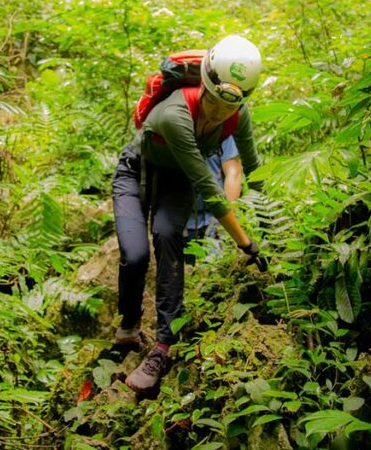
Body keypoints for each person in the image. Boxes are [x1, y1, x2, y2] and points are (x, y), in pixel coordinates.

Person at [112, 35, 265, 393]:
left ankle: (163, 345)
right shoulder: (175, 115)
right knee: (135, 255)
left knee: (168, 239)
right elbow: (209, 190)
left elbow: (254, 167)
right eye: (214, 100)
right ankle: (129, 324)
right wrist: (246, 244)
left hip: (176, 180)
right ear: (205, 86)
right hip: (136, 172)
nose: (219, 112)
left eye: (230, 105)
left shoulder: (238, 115)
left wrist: (270, 217)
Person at [184, 136, 241, 263]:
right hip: (182, 220)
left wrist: (227, 217)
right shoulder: (177, 126)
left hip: (215, 218)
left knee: (213, 269)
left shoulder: (223, 133)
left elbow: (233, 172)